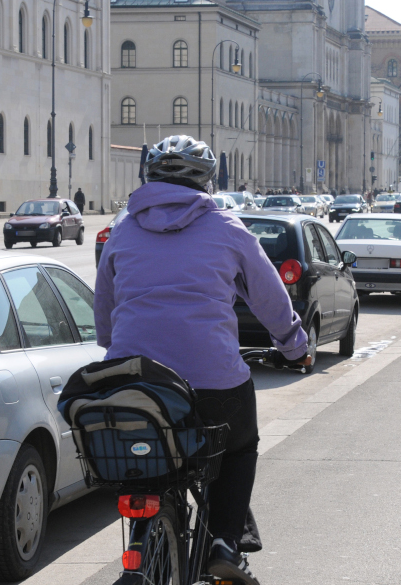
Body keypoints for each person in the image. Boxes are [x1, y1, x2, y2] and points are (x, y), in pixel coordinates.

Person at [95, 135, 308, 585]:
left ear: (148, 176)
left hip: (134, 381)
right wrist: (294, 346)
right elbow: (269, 297)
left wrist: (116, 345)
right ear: (207, 181)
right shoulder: (228, 228)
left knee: (148, 459)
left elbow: (105, 308)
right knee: (239, 447)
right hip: (212, 382)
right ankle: (225, 542)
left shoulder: (123, 230)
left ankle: (148, 539)